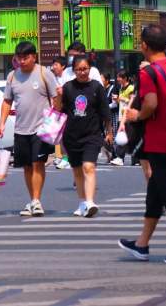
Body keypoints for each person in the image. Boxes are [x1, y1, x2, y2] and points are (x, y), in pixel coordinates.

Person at [119, 24, 166, 265]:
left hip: (162, 141)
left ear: (144, 45)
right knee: (155, 193)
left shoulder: (148, 72)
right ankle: (142, 244)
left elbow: (151, 103)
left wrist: (137, 116)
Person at [0, 41, 57, 217]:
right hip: (21, 129)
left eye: (26, 58)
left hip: (41, 128)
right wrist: (1, 123)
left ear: (34, 57)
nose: (22, 61)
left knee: (38, 163)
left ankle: (37, 201)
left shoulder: (44, 73)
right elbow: (7, 101)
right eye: (19, 58)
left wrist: (55, 121)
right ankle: (33, 201)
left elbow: (55, 98)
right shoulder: (12, 77)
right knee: (26, 167)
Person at [58, 55, 112, 218]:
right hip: (71, 136)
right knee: (77, 171)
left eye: (85, 69)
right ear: (73, 71)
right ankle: (82, 203)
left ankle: (89, 202)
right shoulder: (67, 87)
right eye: (79, 70)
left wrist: (109, 132)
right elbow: (59, 110)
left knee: (88, 167)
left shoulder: (97, 87)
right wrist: (59, 96)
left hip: (92, 135)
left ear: (90, 69)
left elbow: (105, 112)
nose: (82, 72)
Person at [111, 70, 134, 166]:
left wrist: (120, 99)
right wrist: (116, 100)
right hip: (122, 116)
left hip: (129, 116)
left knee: (126, 137)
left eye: (119, 77)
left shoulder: (131, 88)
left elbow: (132, 101)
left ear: (125, 78)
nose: (118, 79)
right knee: (124, 137)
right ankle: (121, 157)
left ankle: (120, 157)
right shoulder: (121, 88)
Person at [50, 57, 69, 169]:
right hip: (58, 111)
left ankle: (68, 158)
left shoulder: (68, 77)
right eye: (53, 65)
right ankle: (64, 158)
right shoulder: (53, 79)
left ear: (63, 66)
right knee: (61, 137)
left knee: (68, 136)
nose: (54, 67)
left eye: (56, 64)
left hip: (69, 111)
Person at [100, 72, 119, 164]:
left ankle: (116, 155)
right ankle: (110, 155)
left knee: (113, 135)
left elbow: (115, 103)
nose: (100, 81)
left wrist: (104, 107)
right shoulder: (102, 89)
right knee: (104, 136)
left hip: (113, 115)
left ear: (107, 80)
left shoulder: (113, 88)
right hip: (104, 116)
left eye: (102, 79)